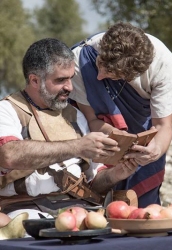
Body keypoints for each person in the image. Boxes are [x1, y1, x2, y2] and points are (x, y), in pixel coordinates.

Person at [0, 38, 138, 218]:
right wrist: (78, 146)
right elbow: (8, 154)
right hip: (26, 211)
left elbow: (93, 183)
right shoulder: (7, 110)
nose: (69, 87)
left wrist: (117, 174)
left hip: (78, 210)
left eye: (71, 78)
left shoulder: (75, 115)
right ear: (34, 80)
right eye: (60, 80)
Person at [69, 22, 172, 207]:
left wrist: (155, 151)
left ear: (130, 77)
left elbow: (163, 126)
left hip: (145, 131)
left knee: (143, 208)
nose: (99, 76)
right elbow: (91, 119)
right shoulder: (82, 58)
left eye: (111, 75)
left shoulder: (163, 65)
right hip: (102, 140)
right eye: (99, 64)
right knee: (95, 198)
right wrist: (118, 137)